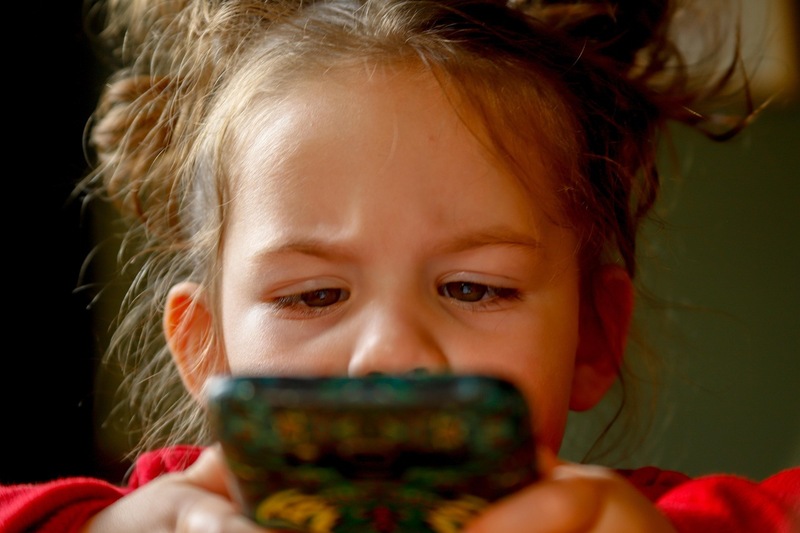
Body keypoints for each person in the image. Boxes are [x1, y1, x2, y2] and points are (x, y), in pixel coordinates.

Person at [2, 0, 798, 531]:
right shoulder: (168, 516)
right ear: (204, 347)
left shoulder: (636, 520)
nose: (390, 352)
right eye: (313, 295)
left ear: (592, 334)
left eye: (471, 287)